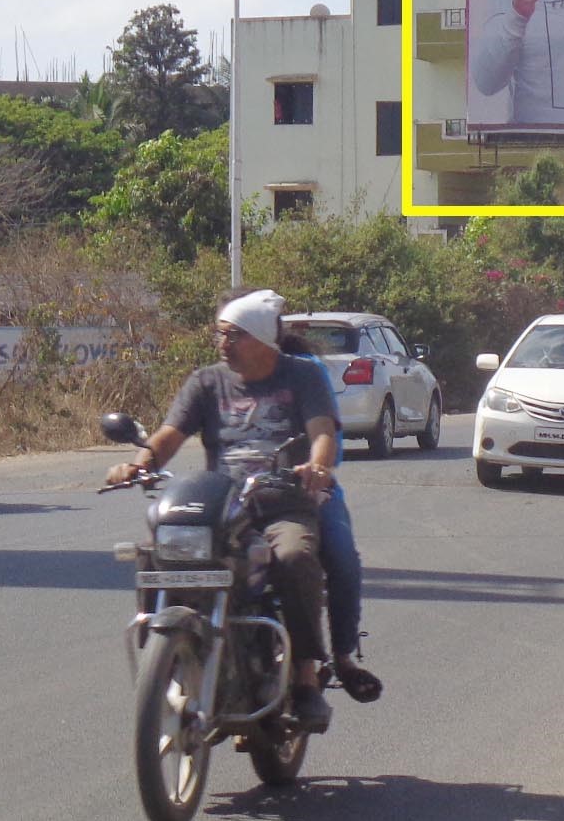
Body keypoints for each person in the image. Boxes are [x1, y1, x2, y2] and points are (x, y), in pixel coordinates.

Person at [106, 291, 340, 729]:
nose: (222, 344)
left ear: (261, 339)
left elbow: (322, 431)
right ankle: (172, 647)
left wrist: (318, 466)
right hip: (223, 505)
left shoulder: (300, 378)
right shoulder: (206, 382)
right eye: (220, 334)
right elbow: (170, 435)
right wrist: (139, 466)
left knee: (294, 557)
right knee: (160, 549)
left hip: (282, 503)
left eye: (232, 335)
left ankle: (306, 678)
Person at [280, 330, 383, 705]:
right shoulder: (218, 379)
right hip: (240, 495)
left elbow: (329, 443)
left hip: (305, 491)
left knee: (341, 558)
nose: (228, 342)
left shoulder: (306, 372)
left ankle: (341, 657)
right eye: (223, 332)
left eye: (240, 332)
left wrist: (316, 474)